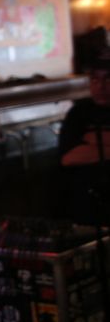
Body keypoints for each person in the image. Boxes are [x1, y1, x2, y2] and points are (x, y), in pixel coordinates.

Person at [58, 42, 110, 226]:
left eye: (108, 79)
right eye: (94, 79)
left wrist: (93, 142)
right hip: (86, 209)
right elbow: (68, 158)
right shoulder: (79, 113)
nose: (100, 86)